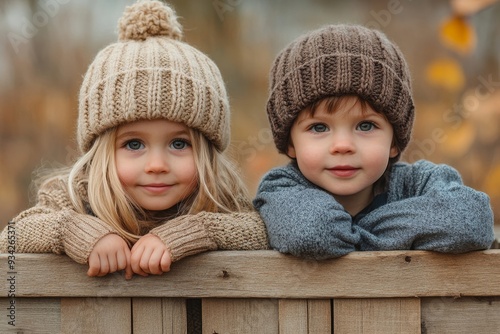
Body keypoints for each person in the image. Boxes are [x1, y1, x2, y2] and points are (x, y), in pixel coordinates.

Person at [0, 0, 268, 280]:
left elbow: (259, 231)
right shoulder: (77, 195)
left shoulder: (219, 198)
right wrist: (76, 231)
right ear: (101, 152)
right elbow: (13, 235)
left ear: (206, 151)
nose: (156, 165)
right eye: (134, 144)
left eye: (179, 144)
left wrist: (191, 233)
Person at [253, 24, 495, 260]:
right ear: (290, 144)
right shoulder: (280, 188)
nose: (343, 145)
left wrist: (357, 235)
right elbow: (314, 232)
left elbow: (471, 218)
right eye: (319, 127)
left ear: (394, 142)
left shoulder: (416, 183)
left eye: (366, 126)